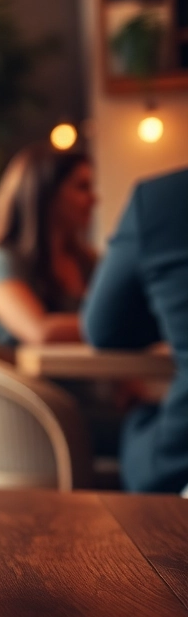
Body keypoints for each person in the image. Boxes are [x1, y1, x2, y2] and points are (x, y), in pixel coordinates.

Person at [82, 168, 188, 494]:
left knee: (137, 423)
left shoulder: (162, 198)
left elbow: (103, 329)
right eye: (81, 187)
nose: (93, 198)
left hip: (178, 458)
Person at [0, 145, 96, 347]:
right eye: (82, 187)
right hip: (16, 380)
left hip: (92, 377)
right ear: (46, 194)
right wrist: (124, 327)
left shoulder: (87, 261)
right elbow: (39, 331)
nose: (94, 199)